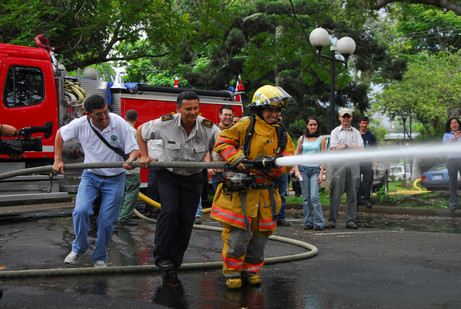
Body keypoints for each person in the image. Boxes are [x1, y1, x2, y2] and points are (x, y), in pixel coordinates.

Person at [211, 85, 295, 289]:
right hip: (243, 193)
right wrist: (238, 159)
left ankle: (251, 270)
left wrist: (275, 166)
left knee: (260, 237)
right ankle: (232, 272)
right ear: (259, 109)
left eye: (277, 110)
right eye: (270, 109)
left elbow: (290, 157)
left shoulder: (281, 132)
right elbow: (222, 142)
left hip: (266, 194)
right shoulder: (246, 125)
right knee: (238, 236)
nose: (274, 114)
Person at [137, 91, 220, 282]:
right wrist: (143, 155)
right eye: (188, 109)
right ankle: (162, 257)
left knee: (187, 218)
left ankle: (175, 260)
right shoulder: (165, 123)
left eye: (196, 108)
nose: (193, 112)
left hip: (193, 177)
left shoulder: (208, 127)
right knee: (170, 210)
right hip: (169, 175)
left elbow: (223, 142)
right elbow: (141, 131)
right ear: (179, 109)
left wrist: (221, 157)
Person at [53, 94, 139, 267]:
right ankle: (79, 248)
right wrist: (57, 159)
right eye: (99, 114)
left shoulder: (118, 123)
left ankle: (100, 256)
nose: (104, 117)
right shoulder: (80, 124)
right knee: (81, 211)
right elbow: (59, 134)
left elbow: (134, 150)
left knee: (106, 221)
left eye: (105, 112)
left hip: (115, 178)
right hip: (90, 176)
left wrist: (130, 160)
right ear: (88, 115)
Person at [326, 107, 364, 229]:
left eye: (348, 116)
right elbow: (334, 147)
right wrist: (351, 147)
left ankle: (350, 221)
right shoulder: (335, 132)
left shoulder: (356, 132)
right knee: (336, 193)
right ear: (340, 118)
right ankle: (332, 220)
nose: (346, 119)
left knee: (352, 194)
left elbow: (361, 148)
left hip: (353, 164)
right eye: (344, 116)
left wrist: (345, 146)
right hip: (339, 164)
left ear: (351, 118)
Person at [294, 116, 326, 231]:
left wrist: (321, 173)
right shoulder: (302, 139)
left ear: (317, 126)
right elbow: (297, 155)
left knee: (314, 197)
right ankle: (308, 222)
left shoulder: (321, 139)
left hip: (315, 170)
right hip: (303, 170)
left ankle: (319, 222)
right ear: (307, 126)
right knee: (306, 198)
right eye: (311, 124)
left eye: (315, 124)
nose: (313, 127)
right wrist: (296, 170)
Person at [117, 109, 141, 226]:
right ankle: (124, 218)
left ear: (125, 117)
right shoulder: (134, 131)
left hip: (119, 168)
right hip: (132, 169)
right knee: (131, 194)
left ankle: (117, 216)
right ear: (136, 119)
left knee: (121, 194)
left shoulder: (120, 130)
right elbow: (136, 150)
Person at [357, 116, 377, 209]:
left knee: (367, 181)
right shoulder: (356, 135)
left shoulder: (371, 136)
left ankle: (366, 199)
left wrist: (375, 161)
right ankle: (357, 199)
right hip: (357, 162)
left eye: (365, 123)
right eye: (362, 123)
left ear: (367, 124)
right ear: (359, 124)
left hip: (367, 162)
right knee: (356, 180)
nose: (364, 125)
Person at [443, 117, 461, 215]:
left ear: (458, 124)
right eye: (452, 123)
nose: (454, 124)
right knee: (452, 182)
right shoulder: (446, 135)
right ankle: (453, 204)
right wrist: (455, 138)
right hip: (451, 160)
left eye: (455, 122)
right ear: (450, 126)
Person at [275, 112, 290, 227]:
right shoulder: (265, 131)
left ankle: (280, 217)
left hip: (282, 168)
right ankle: (268, 217)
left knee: (281, 194)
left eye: (280, 115)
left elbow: (290, 151)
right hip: (268, 169)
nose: (277, 117)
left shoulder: (285, 133)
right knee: (267, 193)